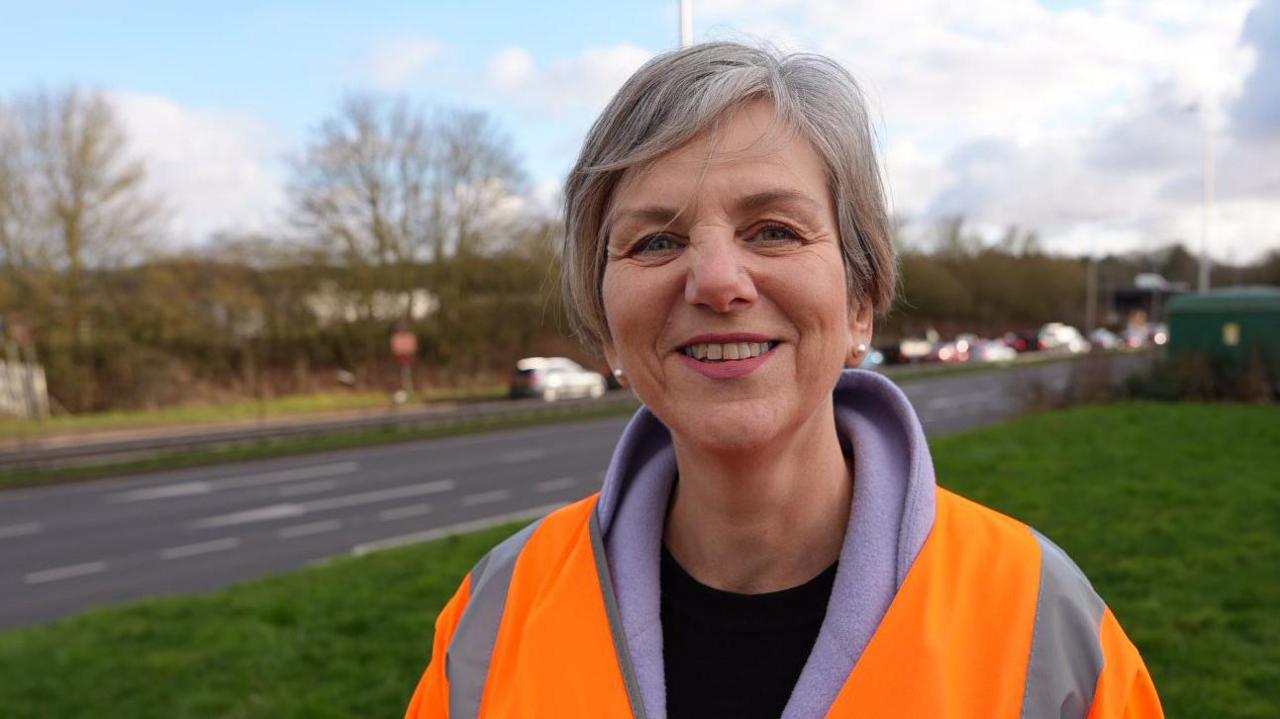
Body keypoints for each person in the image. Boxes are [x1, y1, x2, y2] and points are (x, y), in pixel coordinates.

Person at [404, 42, 1163, 719]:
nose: (717, 281)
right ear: (604, 327)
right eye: (656, 240)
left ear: (861, 299)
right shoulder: (492, 616)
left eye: (774, 230)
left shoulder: (1045, 626)